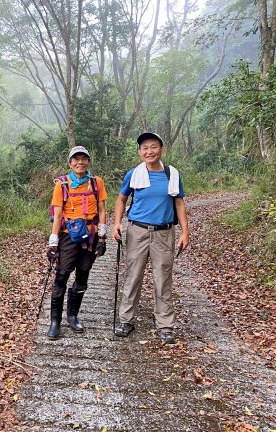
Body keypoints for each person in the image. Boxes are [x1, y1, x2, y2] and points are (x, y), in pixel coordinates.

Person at [111, 132, 189, 345]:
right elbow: (121, 199)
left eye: (153, 147)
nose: (149, 151)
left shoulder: (171, 174)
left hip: (164, 233)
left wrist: (185, 232)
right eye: (144, 148)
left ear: (161, 149)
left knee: (162, 278)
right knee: (133, 275)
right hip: (137, 231)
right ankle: (126, 320)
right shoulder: (134, 174)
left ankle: (165, 325)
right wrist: (117, 223)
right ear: (140, 151)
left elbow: (179, 203)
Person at [46, 146, 107, 340]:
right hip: (67, 236)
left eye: (83, 159)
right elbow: (57, 215)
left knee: (82, 276)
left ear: (88, 161)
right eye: (76, 159)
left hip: (90, 235)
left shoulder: (96, 183)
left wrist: (102, 236)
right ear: (70, 163)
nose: (80, 162)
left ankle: (72, 316)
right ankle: (55, 321)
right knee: (62, 275)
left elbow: (102, 209)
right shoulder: (62, 185)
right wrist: (53, 242)